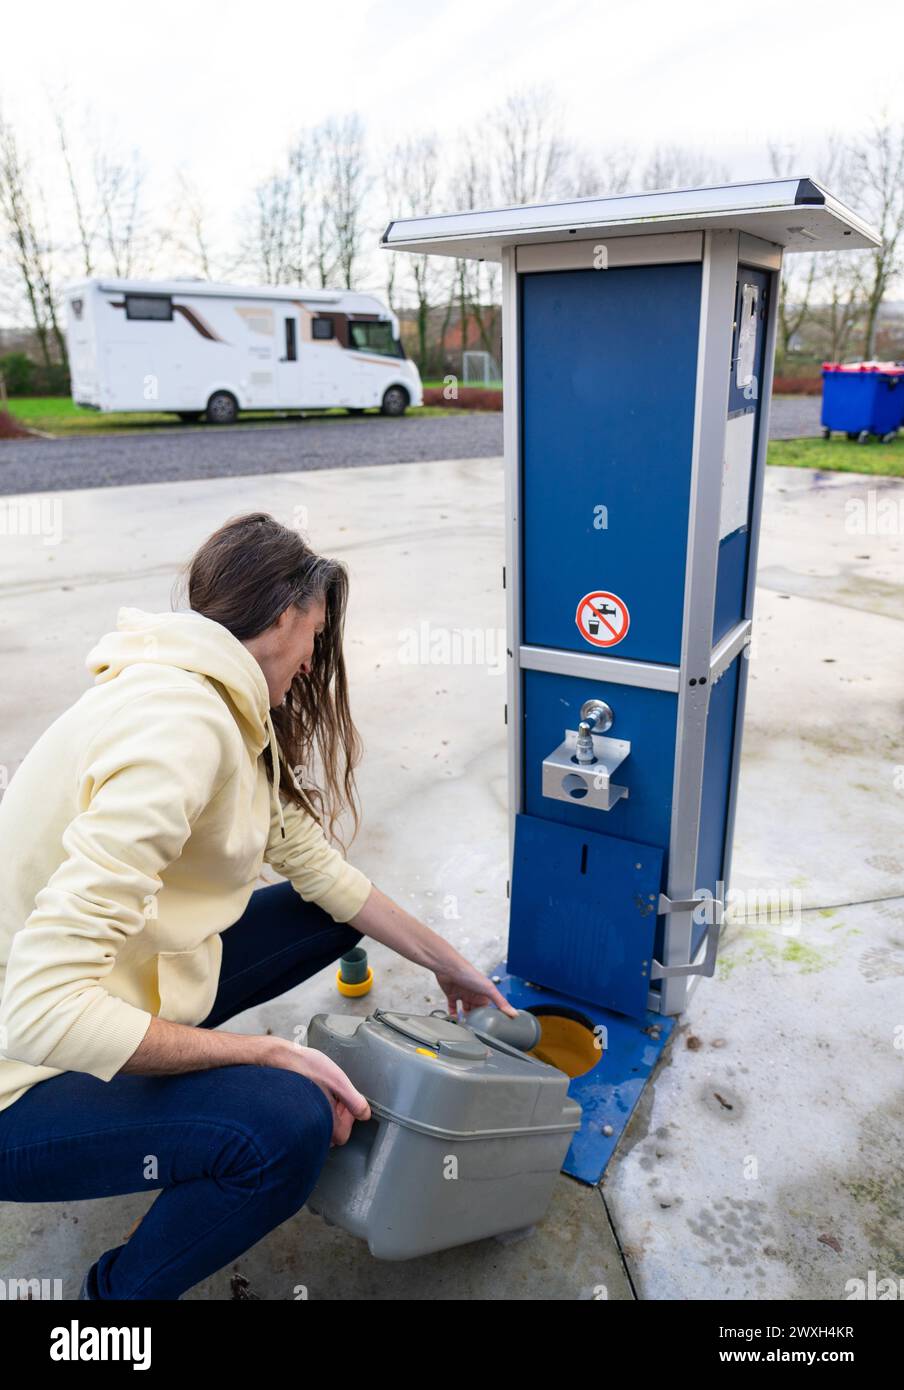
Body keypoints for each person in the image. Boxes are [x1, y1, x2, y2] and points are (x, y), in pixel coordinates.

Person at [0, 510, 516, 1300]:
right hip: (20, 1078)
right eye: (314, 635)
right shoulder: (178, 731)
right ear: (282, 617)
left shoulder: (210, 699)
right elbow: (40, 1013)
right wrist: (267, 1054)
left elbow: (322, 872)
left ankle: (172, 1106)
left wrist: (456, 968)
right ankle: (112, 1313)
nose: (312, 662)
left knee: (328, 913)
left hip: (108, 987)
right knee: (286, 1123)